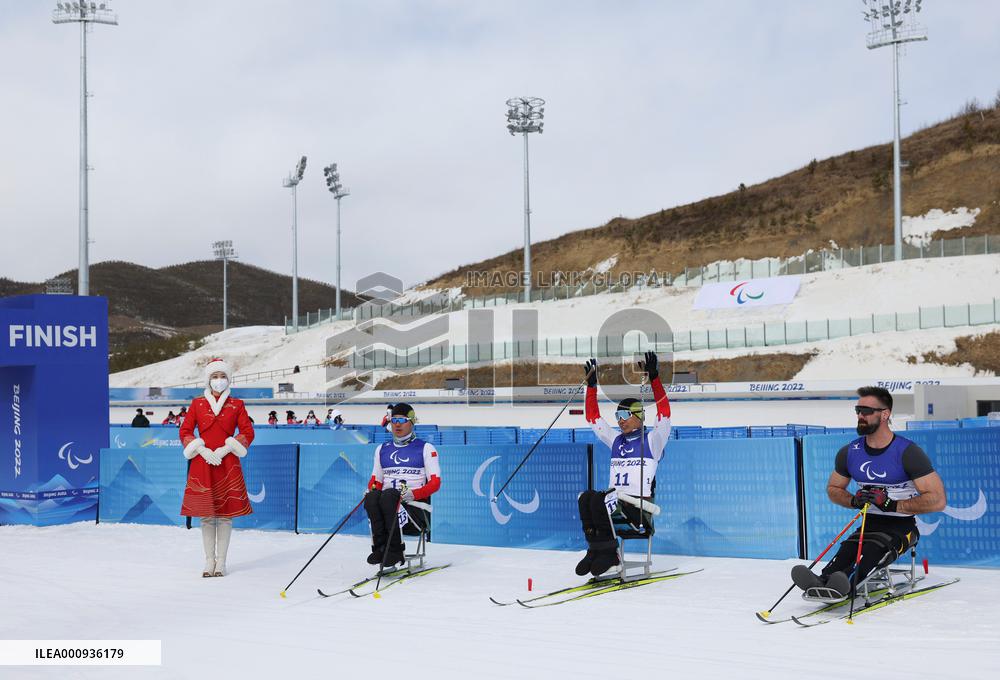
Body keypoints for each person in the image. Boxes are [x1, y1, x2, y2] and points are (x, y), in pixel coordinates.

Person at [791, 386, 947, 597]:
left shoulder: (908, 452)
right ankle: (824, 579)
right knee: (848, 548)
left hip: (902, 527)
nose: (860, 416)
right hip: (869, 523)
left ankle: (846, 583)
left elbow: (938, 500)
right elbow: (833, 489)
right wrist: (854, 501)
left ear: (885, 414)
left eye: (866, 411)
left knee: (873, 551)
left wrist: (892, 504)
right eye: (858, 410)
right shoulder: (850, 452)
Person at [576, 351, 671, 577]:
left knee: (599, 499)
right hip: (615, 501)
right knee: (585, 497)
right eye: (618, 414)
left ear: (639, 416)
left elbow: (664, 413)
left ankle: (612, 556)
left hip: (638, 508)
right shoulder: (616, 440)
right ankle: (596, 550)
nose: (619, 419)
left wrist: (655, 378)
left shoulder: (652, 440)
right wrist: (591, 388)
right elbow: (593, 419)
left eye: (625, 414)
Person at [179, 358, 255, 578]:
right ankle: (208, 561)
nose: (219, 381)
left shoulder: (237, 404)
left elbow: (248, 433)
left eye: (222, 376)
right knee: (205, 515)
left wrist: (225, 449)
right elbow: (185, 431)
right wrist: (201, 450)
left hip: (227, 462)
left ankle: (221, 562)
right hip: (203, 462)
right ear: (208, 380)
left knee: (224, 516)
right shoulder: (197, 404)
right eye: (215, 376)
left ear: (228, 380)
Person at [364, 403, 441, 568]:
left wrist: (413, 494)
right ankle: (380, 548)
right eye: (394, 420)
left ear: (412, 422)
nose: (397, 424)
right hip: (388, 504)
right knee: (372, 497)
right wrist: (371, 489)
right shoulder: (381, 449)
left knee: (390, 495)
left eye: (402, 420)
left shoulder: (426, 448)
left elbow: (435, 484)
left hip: (415, 510)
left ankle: (395, 551)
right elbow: (375, 481)